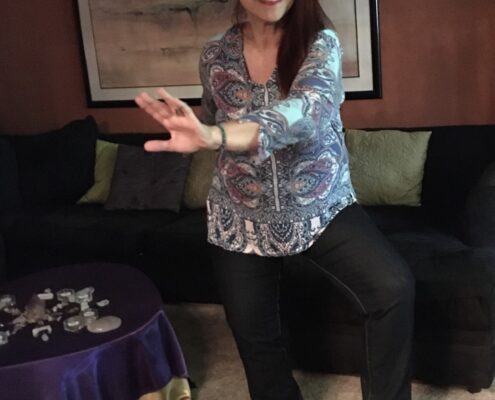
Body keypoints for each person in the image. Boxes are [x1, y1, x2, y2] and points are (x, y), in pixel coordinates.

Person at [135, 1, 415, 399]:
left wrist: (216, 136)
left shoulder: (321, 44)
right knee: (255, 336)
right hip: (240, 214)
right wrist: (201, 133)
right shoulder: (214, 54)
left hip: (321, 205)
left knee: (392, 288)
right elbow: (212, 115)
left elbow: (306, 112)